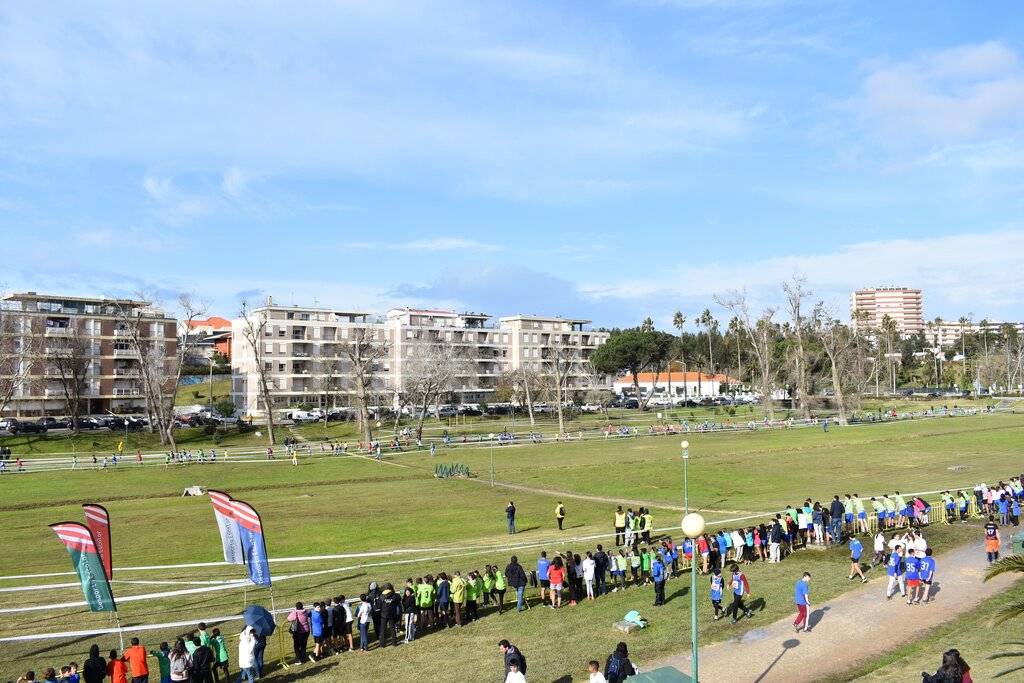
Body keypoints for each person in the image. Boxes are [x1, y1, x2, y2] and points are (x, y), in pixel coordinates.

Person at [379, 582, 401, 648]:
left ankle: (382, 644)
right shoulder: (395, 596)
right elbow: (398, 600)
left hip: (383, 615)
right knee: (392, 629)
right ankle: (394, 643)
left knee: (383, 629)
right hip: (392, 614)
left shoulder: (381, 596)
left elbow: (379, 605)